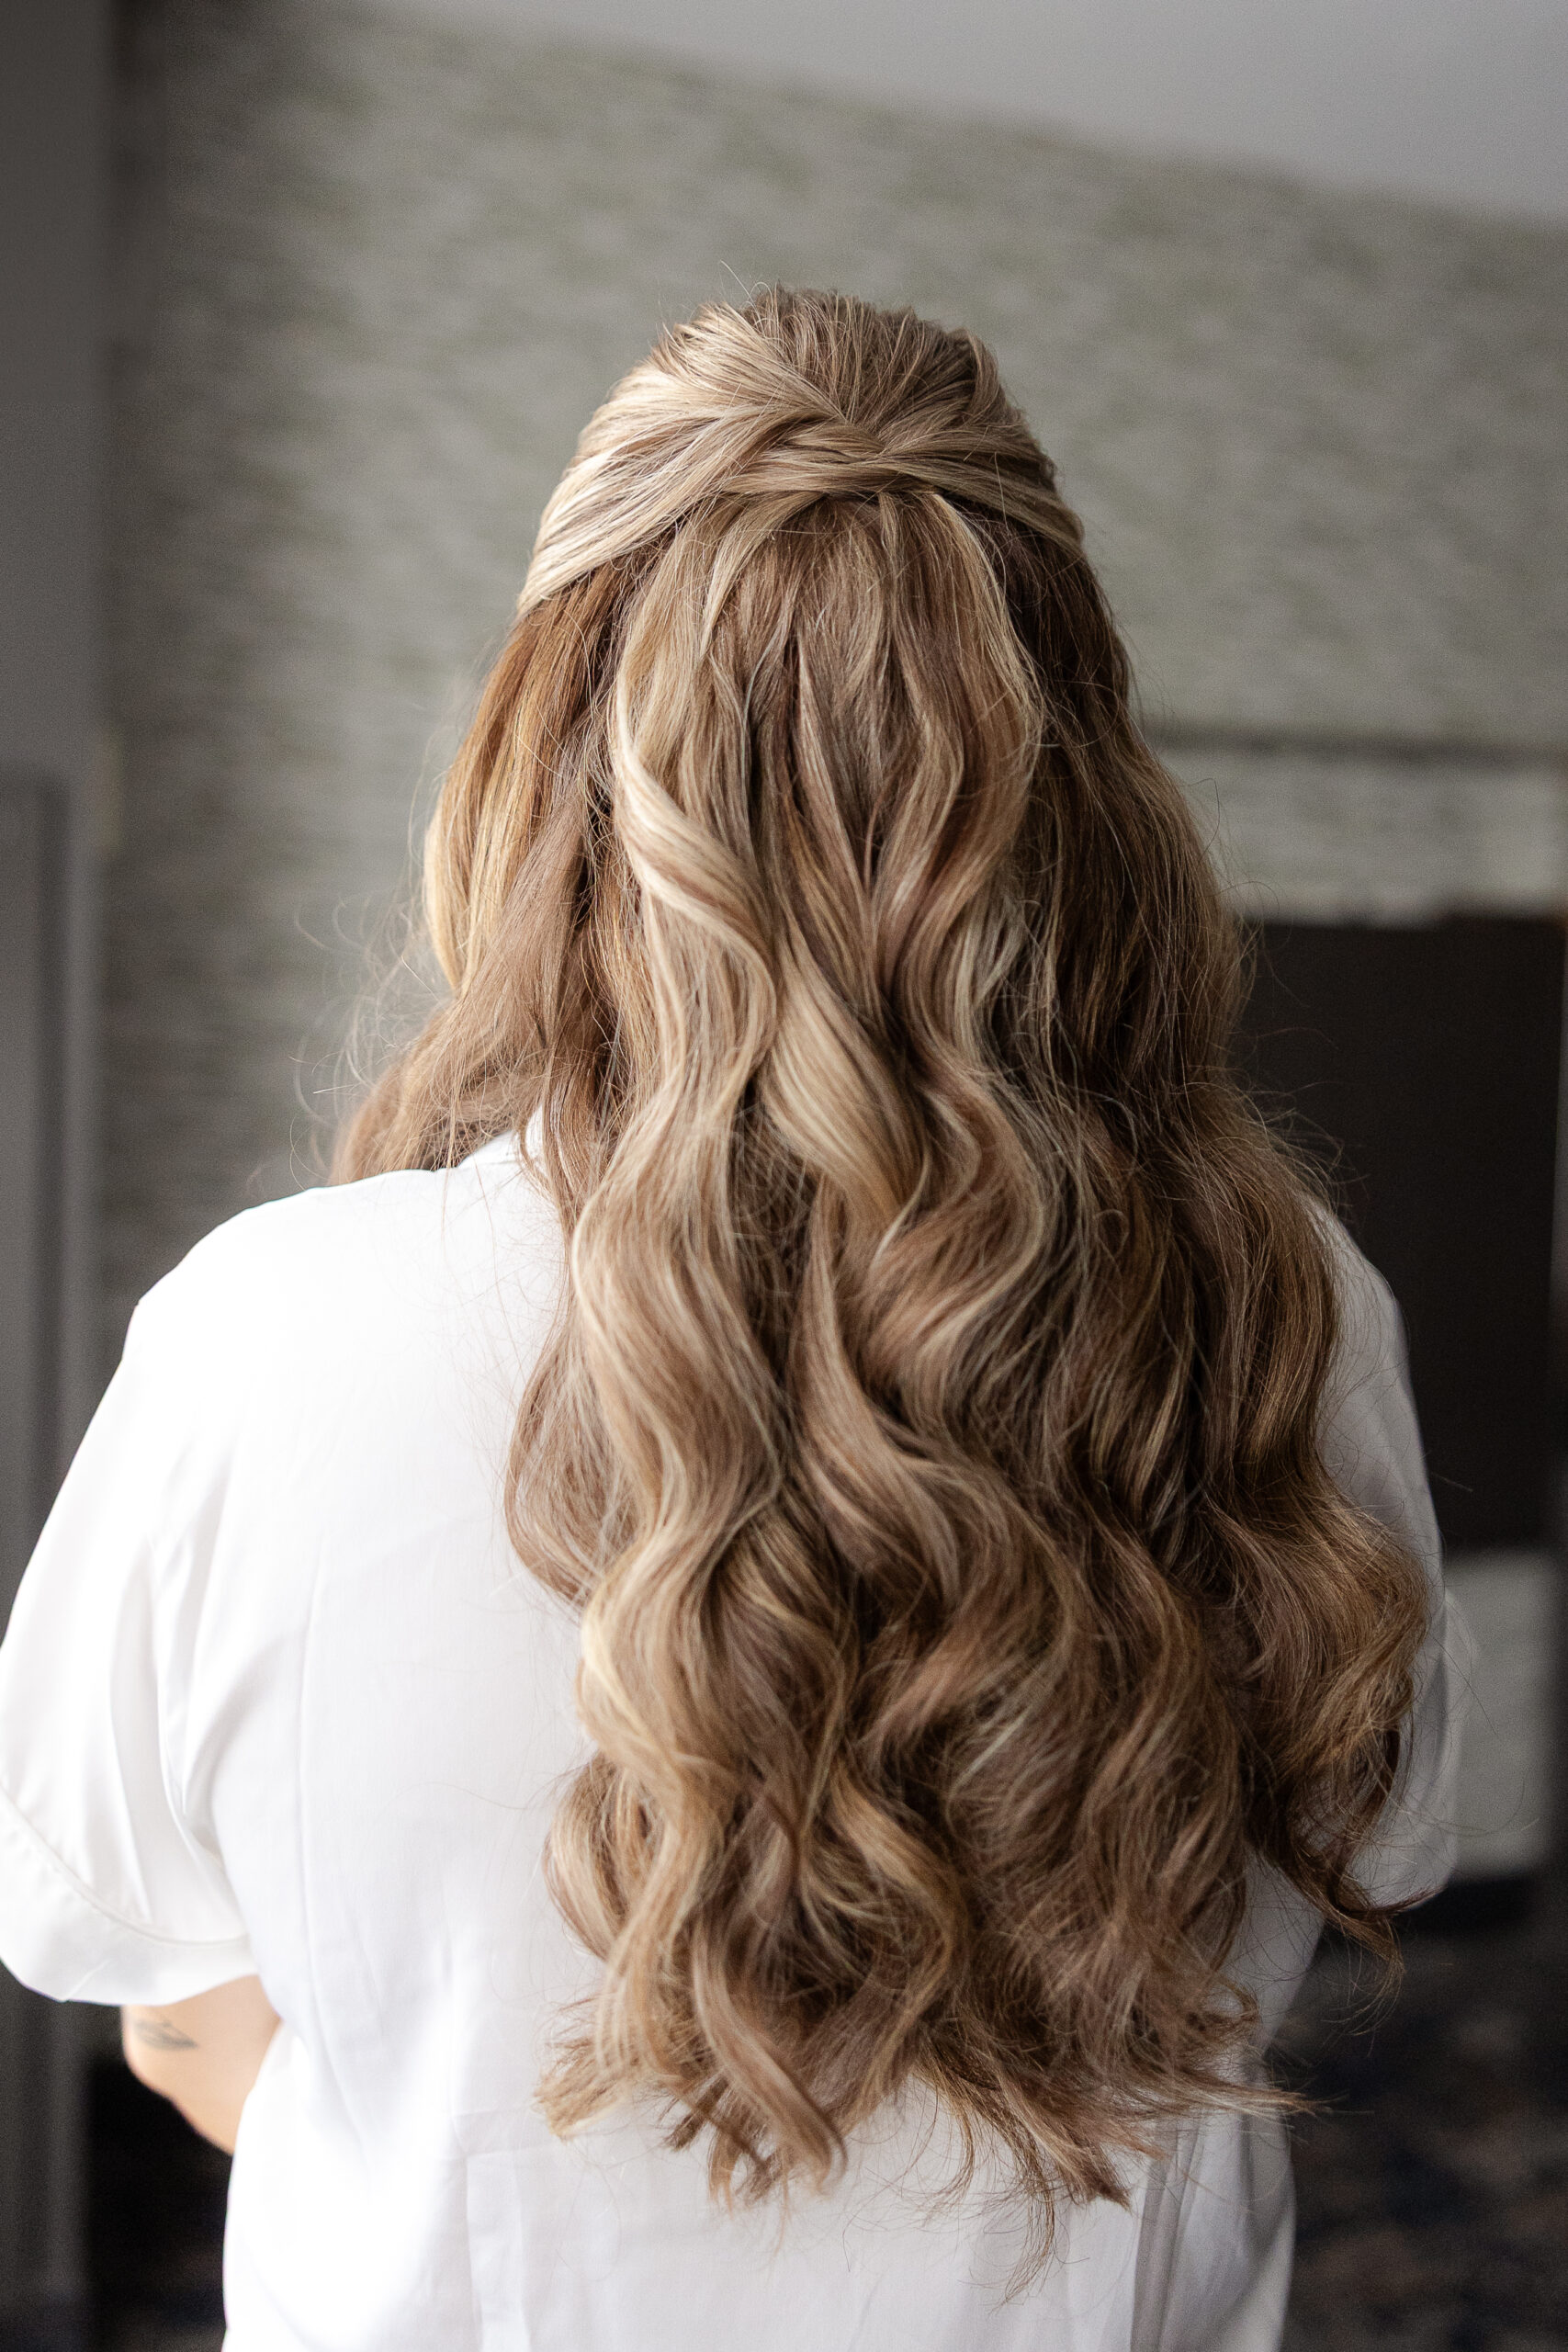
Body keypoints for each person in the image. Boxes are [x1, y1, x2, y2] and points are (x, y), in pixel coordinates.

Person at [0, 289, 1466, 2351]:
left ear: (543, 755)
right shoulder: (1294, 1311)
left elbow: (166, 1988)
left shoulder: (259, 1338)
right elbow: (1363, 1854)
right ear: (1080, 775)